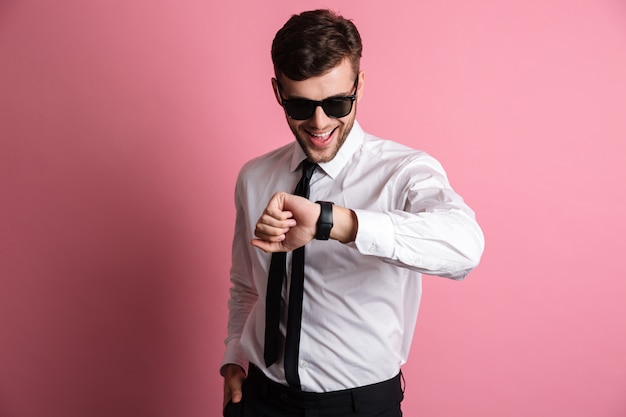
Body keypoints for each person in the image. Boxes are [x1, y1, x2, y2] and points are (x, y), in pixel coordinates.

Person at [221, 9, 484, 417]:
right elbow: (245, 285)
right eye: (300, 105)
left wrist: (334, 222)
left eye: (337, 102)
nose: (319, 122)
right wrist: (233, 359)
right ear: (278, 92)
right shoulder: (255, 176)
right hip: (260, 399)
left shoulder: (403, 172)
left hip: (358, 405)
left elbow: (465, 247)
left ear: (359, 84)